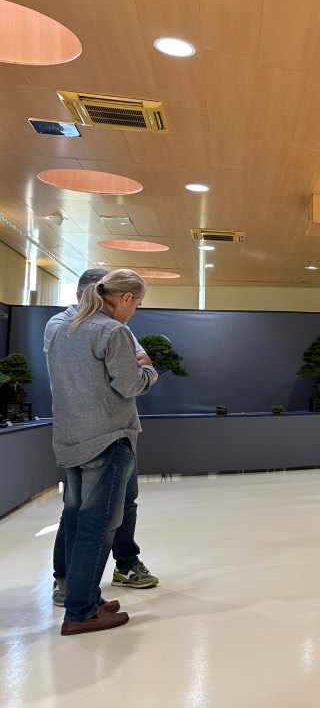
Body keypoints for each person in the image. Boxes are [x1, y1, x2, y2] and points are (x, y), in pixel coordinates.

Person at [44, 268, 158, 635]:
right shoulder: (112, 330)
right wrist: (149, 372)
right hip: (107, 439)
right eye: (137, 304)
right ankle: (81, 612)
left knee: (77, 520)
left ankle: (85, 597)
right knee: (99, 526)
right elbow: (129, 385)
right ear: (125, 298)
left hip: (71, 437)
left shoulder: (57, 325)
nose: (135, 311)